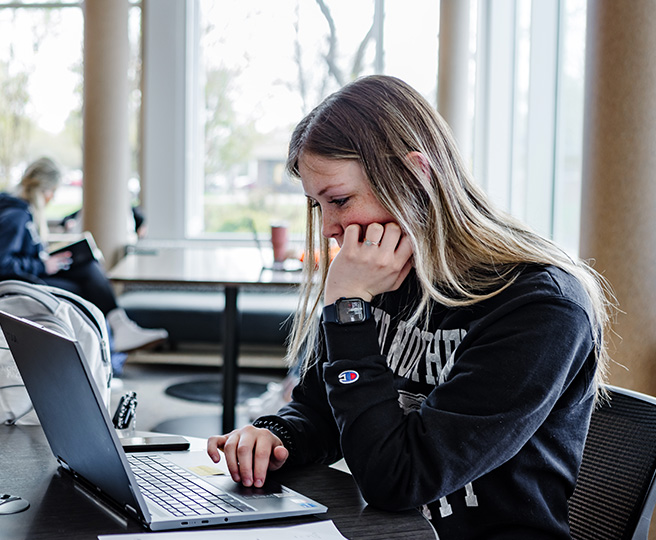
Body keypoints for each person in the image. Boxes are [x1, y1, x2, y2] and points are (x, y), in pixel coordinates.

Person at [205, 75, 614, 539]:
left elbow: (400, 480)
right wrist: (277, 435)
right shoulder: (386, 274)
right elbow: (323, 409)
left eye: (339, 200)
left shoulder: (540, 307)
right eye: (319, 207)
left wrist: (347, 310)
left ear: (416, 176)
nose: (329, 229)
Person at [0, 157, 167, 354]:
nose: (53, 198)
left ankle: (118, 330)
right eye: (53, 192)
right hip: (13, 285)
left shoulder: (19, 211)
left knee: (87, 266)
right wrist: (43, 266)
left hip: (24, 278)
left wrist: (47, 260)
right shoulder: (15, 217)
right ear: (44, 190)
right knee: (82, 289)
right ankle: (110, 338)